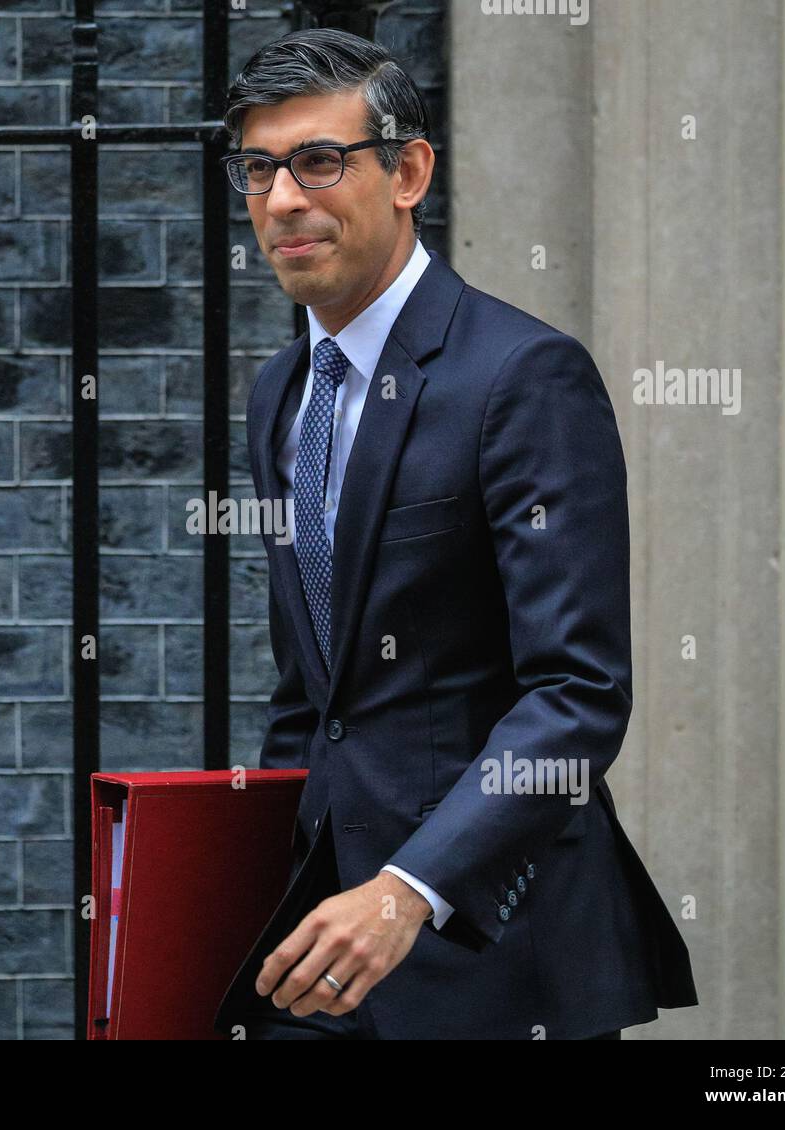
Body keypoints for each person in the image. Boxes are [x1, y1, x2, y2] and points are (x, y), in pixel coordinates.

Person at [211, 27, 698, 1040]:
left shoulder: (522, 375)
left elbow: (576, 694)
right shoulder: (278, 394)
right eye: (257, 169)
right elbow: (312, 695)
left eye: (318, 160)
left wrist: (407, 887)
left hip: (497, 959)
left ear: (408, 172)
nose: (284, 198)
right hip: (325, 965)